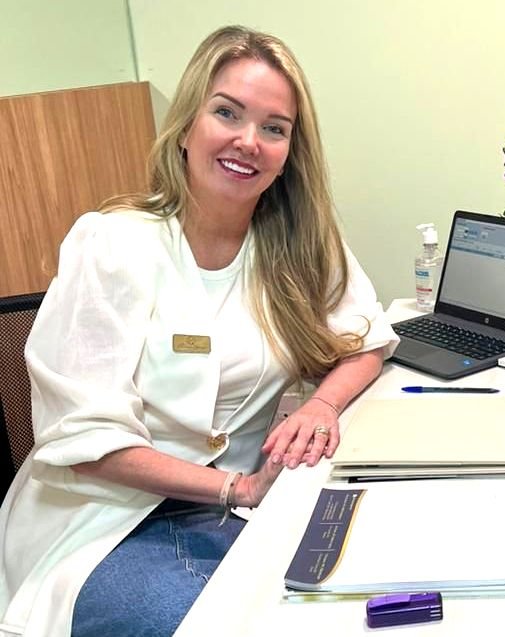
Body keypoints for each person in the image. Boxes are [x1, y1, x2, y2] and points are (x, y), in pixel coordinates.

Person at [0, 25, 398, 637]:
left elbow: (366, 341)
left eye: (274, 128)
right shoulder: (113, 245)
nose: (249, 141)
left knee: (355, 601)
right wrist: (237, 486)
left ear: (289, 153)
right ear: (187, 125)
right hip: (105, 523)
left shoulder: (298, 247)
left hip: (234, 513)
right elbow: (86, 445)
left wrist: (321, 405)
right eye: (227, 113)